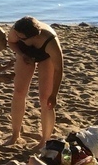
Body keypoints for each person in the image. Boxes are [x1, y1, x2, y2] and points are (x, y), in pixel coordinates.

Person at [5, 16, 65, 150]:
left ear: (34, 36)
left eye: (21, 38)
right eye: (17, 35)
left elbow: (59, 69)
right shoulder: (17, 30)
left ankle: (45, 141)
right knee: (19, 92)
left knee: (46, 99)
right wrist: (22, 54)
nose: (17, 37)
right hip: (24, 52)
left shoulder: (50, 42)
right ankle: (15, 135)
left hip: (45, 56)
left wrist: (54, 94)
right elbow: (11, 42)